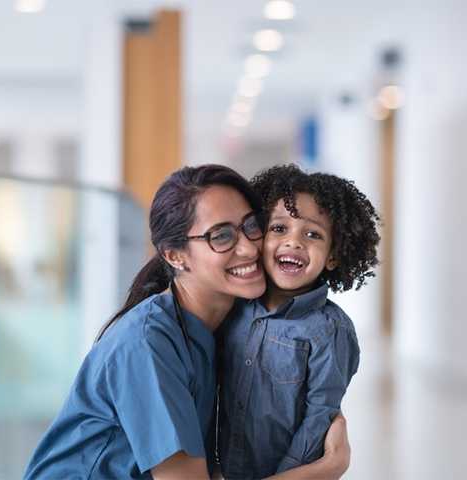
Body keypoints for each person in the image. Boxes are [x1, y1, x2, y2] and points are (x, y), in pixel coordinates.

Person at [23, 164, 351, 479]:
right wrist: (326, 469)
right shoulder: (148, 344)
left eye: (252, 226)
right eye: (220, 236)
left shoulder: (228, 329)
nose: (249, 247)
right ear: (174, 255)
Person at [218, 164, 381, 479]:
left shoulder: (330, 330)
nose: (294, 242)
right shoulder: (234, 307)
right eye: (279, 229)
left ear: (332, 256)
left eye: (313, 234)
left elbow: (318, 419)